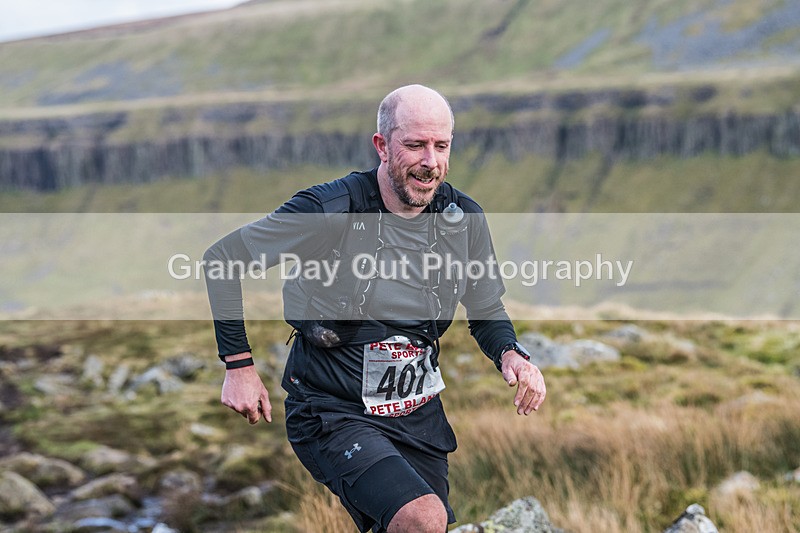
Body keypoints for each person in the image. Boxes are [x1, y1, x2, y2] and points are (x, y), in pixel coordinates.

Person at [203, 84, 546, 533]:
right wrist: (239, 366)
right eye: (415, 145)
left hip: (418, 415)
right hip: (332, 410)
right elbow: (223, 259)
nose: (431, 161)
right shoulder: (328, 209)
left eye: (441, 146)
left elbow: (484, 305)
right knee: (423, 519)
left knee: (420, 525)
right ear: (382, 146)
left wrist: (511, 353)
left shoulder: (463, 219)